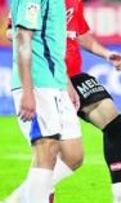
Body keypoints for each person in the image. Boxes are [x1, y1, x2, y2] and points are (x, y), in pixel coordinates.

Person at [4, 0, 121, 203]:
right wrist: (28, 89)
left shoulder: (71, 2)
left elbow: (79, 34)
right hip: (41, 78)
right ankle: (34, 194)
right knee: (47, 148)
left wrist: (105, 54)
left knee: (81, 149)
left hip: (65, 76)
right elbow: (16, 33)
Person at [8, 0, 84, 202]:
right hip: (38, 82)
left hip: (56, 81)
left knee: (73, 155)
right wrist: (27, 90)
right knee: (46, 150)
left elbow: (52, 41)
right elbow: (23, 37)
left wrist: (65, 81)